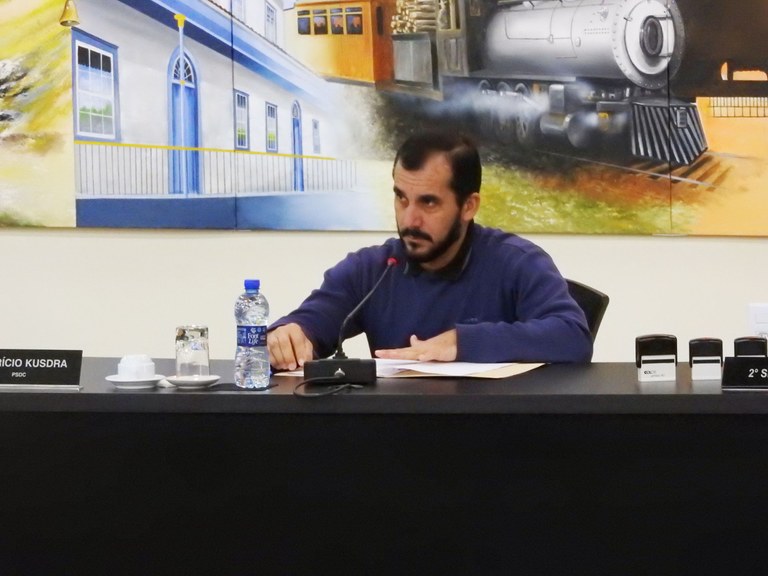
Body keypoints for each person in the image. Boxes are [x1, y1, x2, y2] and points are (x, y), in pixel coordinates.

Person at [268, 131, 592, 370]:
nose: (410, 219)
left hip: (496, 436)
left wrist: (462, 342)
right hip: (397, 433)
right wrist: (288, 336)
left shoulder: (516, 262)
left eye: (429, 202)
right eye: (401, 198)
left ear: (469, 206)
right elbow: (309, 324)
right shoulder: (374, 269)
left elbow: (572, 337)